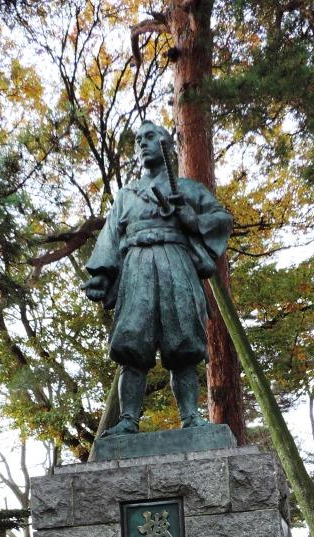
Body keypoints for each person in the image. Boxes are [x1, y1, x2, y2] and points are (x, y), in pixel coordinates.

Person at [82, 121, 233, 436]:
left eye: (150, 137)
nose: (142, 143)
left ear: (167, 145)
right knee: (131, 341)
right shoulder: (126, 195)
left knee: (183, 340)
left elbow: (222, 219)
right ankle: (128, 419)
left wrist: (193, 220)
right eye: (138, 140)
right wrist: (101, 275)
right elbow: (111, 236)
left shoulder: (189, 189)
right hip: (136, 265)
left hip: (176, 261)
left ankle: (190, 416)